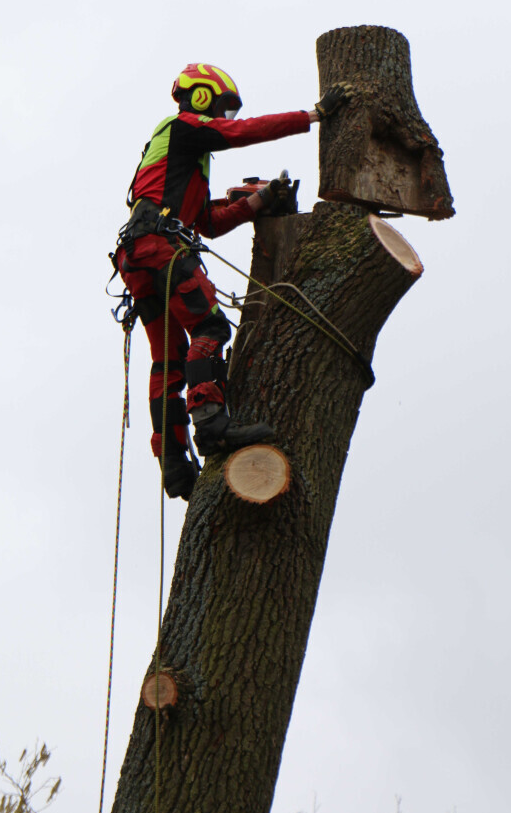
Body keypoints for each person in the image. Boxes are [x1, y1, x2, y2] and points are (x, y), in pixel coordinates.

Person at [115, 63, 354, 500]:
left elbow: (207, 222)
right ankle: (210, 424)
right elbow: (240, 132)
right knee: (211, 328)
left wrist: (260, 200)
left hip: (139, 255)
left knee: (169, 359)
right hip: (156, 248)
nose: (222, 120)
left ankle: (173, 461)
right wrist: (313, 115)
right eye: (219, 109)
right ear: (201, 97)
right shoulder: (182, 127)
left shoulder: (184, 159)